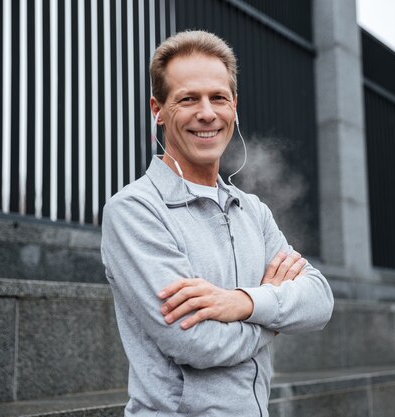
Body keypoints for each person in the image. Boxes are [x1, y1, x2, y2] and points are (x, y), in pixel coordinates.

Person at [101, 30, 334, 417]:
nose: (206, 113)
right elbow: (198, 343)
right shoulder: (134, 210)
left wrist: (241, 302)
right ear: (157, 110)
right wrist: (273, 319)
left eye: (218, 98)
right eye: (188, 99)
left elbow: (319, 300)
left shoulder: (252, 209)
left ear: (234, 107)